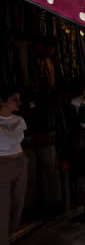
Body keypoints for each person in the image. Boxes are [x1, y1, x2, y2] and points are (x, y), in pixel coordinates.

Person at [0, 87, 28, 245]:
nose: (18, 102)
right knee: (3, 206)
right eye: (14, 99)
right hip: (2, 163)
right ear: (2, 102)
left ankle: (10, 235)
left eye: (19, 99)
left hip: (20, 161)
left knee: (18, 203)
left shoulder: (19, 120)